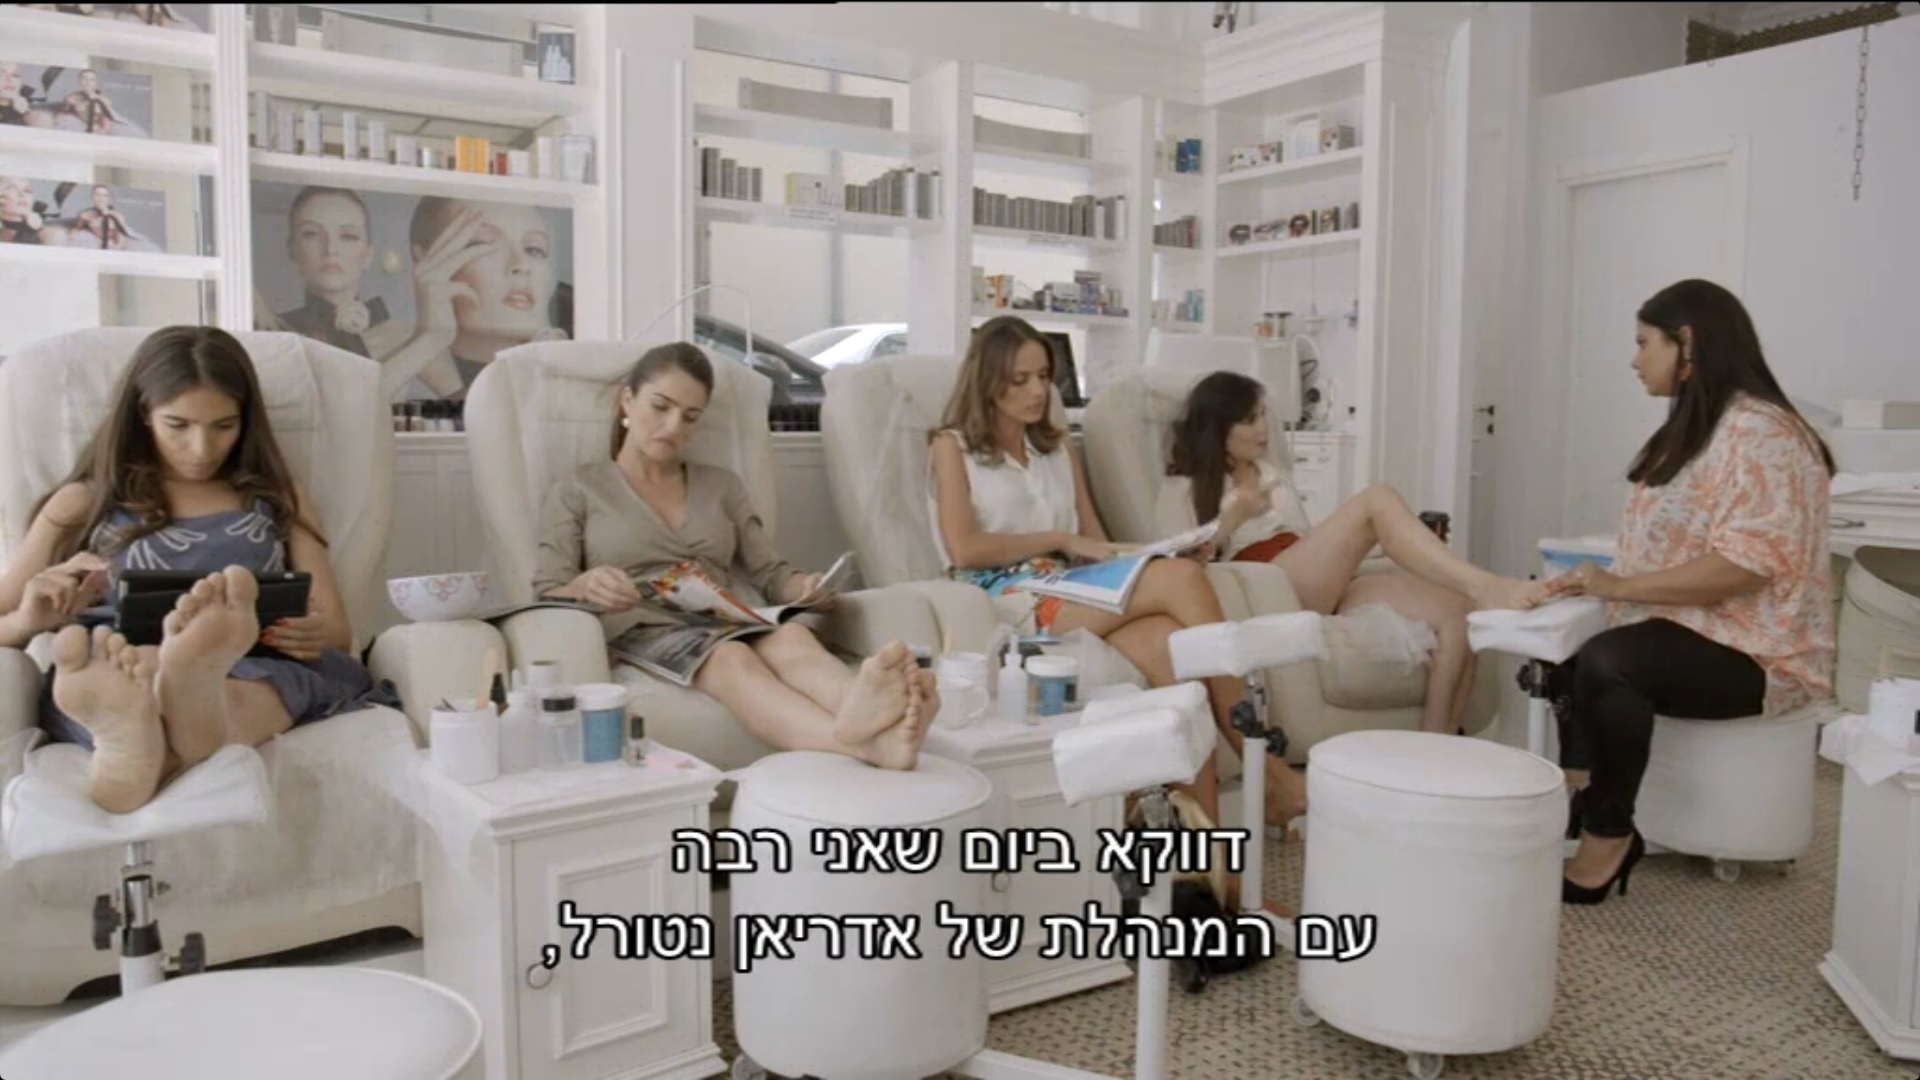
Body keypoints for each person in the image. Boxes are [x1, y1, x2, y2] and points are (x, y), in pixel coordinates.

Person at [929, 315, 1296, 894]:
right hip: (1008, 596)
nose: (1036, 391)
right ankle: (1264, 765)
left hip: (1077, 585)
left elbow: (1096, 544)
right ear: (988, 381)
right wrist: (1061, 539)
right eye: (1020, 379)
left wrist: (1152, 551)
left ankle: (1214, 876)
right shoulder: (952, 447)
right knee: (1180, 583)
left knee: (1176, 663)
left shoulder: (1055, 447)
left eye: (1043, 376)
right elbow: (963, 548)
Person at [0, 326, 396, 814]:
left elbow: (336, 628)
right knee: (142, 674)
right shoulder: (85, 501)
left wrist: (311, 634)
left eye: (223, 425)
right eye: (178, 425)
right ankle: (155, 711)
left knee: (253, 689)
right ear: (143, 414)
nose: (202, 448)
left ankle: (144, 747)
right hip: (125, 661)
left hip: (259, 661)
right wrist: (27, 621)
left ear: (246, 420)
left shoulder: (275, 497)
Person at [1541, 279, 1836, 905]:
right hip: (1696, 628)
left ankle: (1608, 834)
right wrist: (1587, 582)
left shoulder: (1762, 434)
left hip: (1758, 651)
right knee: (1564, 652)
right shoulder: (1700, 428)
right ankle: (1584, 798)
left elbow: (1745, 566)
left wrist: (1621, 584)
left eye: (1643, 342)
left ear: (1688, 343)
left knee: (1611, 662)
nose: (1634, 359)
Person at [533, 342, 937, 770]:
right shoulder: (579, 489)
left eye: (690, 417)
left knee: (793, 637)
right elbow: (546, 589)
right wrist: (587, 585)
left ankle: (870, 709)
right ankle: (864, 747)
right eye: (660, 407)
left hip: (725, 617)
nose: (673, 426)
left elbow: (770, 573)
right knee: (730, 658)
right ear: (628, 400)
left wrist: (806, 588)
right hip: (646, 627)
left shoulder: (721, 486)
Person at [1157, 371, 1543, 736]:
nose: (1262, 429)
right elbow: (1177, 565)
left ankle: (1437, 744)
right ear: (1218, 427)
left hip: (1311, 577)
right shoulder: (1183, 487)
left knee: (1457, 611)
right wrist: (1234, 514)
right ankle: (1486, 584)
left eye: (1262, 415)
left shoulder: (1271, 475)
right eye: (1248, 420)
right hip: (1262, 587)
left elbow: (1306, 539)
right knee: (1377, 499)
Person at [383, 197, 570, 399]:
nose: (521, 265)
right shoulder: (395, 370)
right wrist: (429, 341)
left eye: (535, 250)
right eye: (483, 244)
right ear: (425, 262)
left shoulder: (571, 373)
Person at [270, 186, 408, 362]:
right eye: (312, 234)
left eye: (348, 236)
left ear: (368, 255)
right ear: (293, 252)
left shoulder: (400, 338)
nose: (331, 249)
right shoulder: (275, 334)